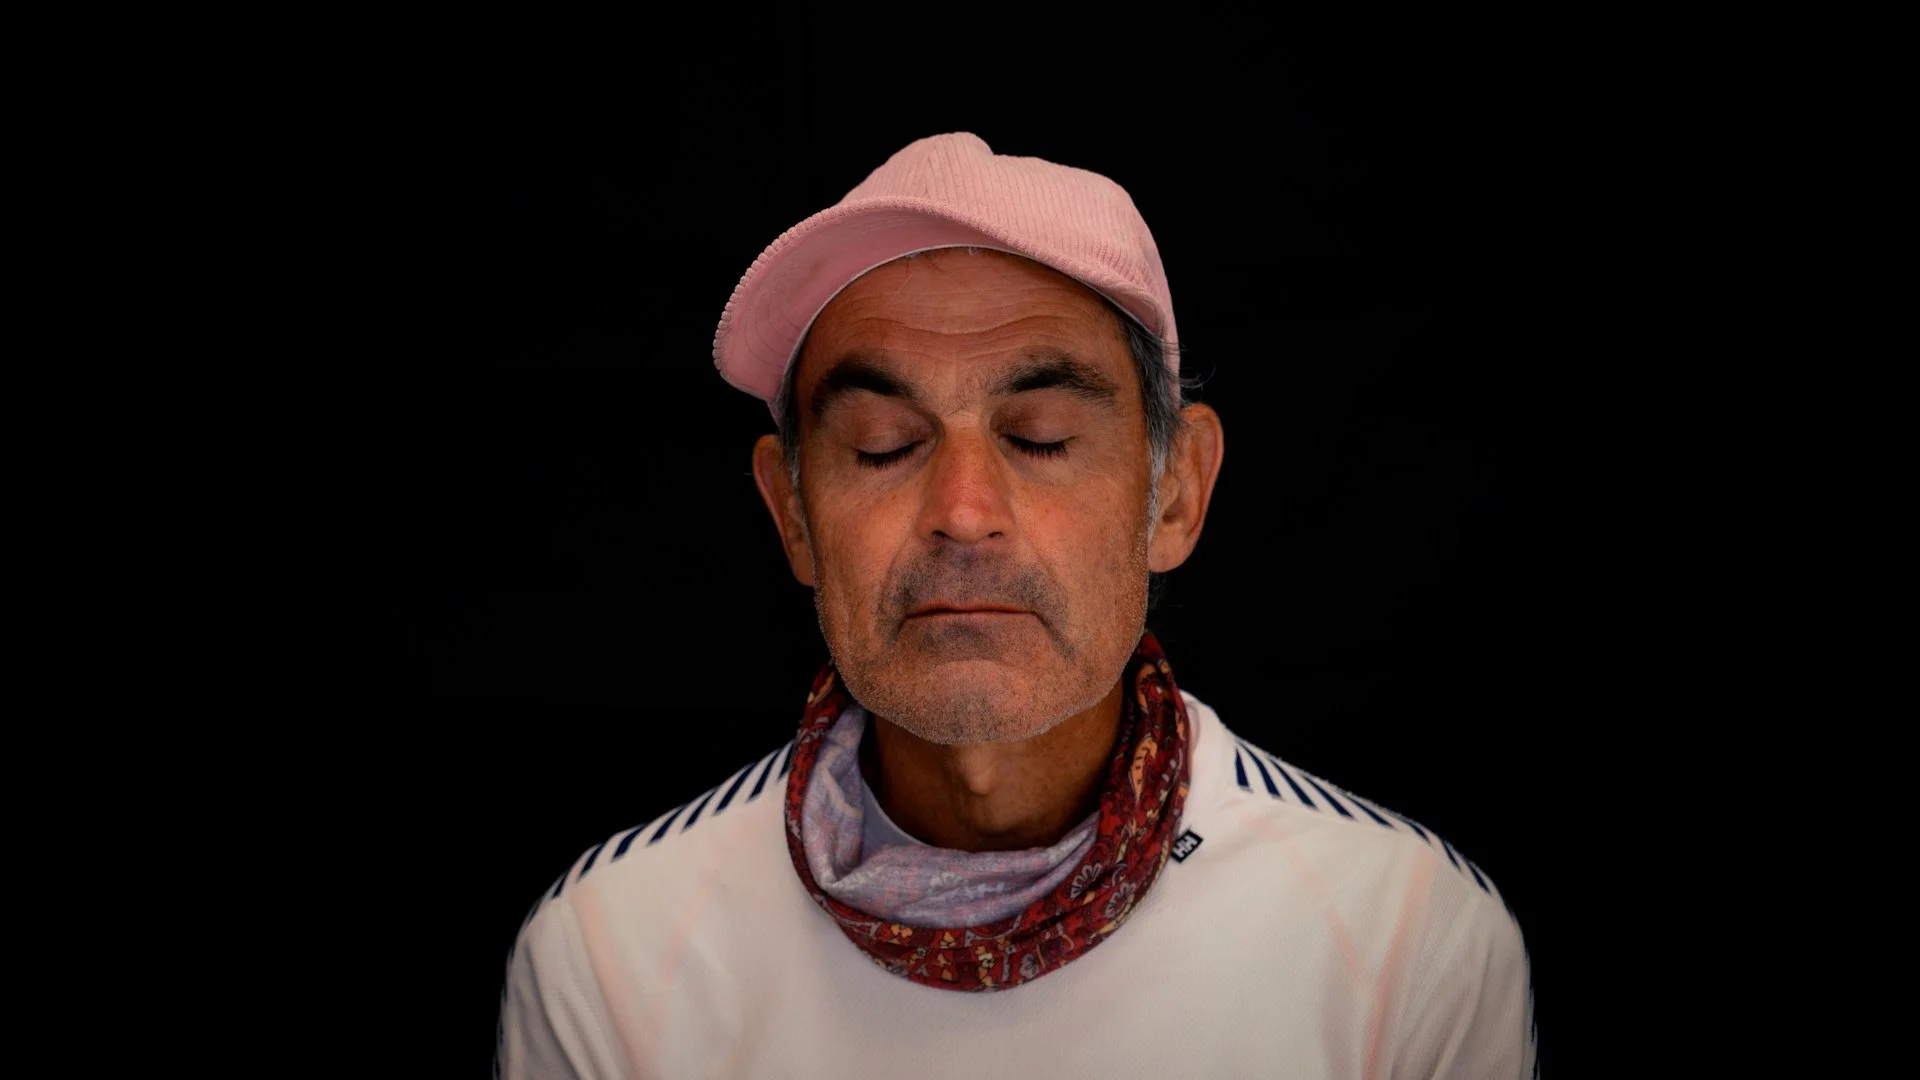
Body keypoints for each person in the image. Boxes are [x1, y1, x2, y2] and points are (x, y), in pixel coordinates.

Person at [495, 132, 1537, 1079]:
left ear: (1173, 496)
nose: (962, 512)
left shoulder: (1408, 939)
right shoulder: (613, 952)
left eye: (1038, 437)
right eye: (882, 446)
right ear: (794, 516)